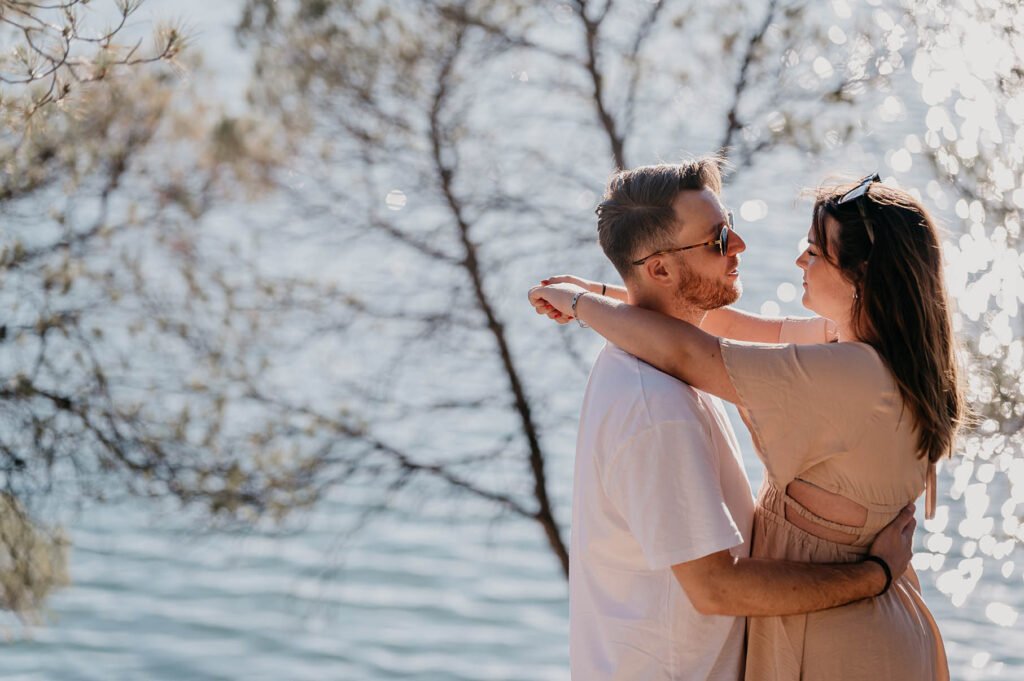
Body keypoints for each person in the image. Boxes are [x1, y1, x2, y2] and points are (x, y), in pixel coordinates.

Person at [531, 159, 921, 681]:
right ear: (662, 270)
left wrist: (588, 299)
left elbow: (723, 335)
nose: (740, 245)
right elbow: (715, 587)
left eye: (730, 225)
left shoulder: (679, 360)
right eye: (718, 240)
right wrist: (874, 575)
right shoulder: (656, 406)